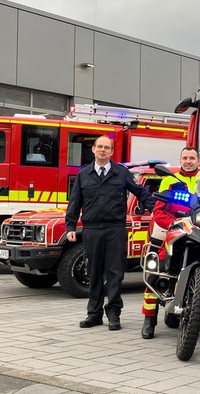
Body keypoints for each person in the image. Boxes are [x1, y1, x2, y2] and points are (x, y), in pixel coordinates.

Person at [140, 146, 200, 339]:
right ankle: (149, 320)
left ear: (198, 161)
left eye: (192, 158)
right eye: (185, 158)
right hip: (178, 227)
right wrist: (172, 223)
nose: (188, 161)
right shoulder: (169, 179)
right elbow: (159, 211)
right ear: (180, 160)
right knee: (156, 270)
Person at [66, 135, 156, 331]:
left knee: (115, 273)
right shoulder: (83, 174)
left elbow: (141, 193)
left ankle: (114, 313)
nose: (103, 150)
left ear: (112, 152)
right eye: (99, 146)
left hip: (115, 229)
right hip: (91, 230)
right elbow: (75, 202)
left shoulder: (121, 173)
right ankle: (94, 314)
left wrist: (156, 209)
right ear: (93, 149)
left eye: (107, 147)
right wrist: (70, 226)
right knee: (94, 271)